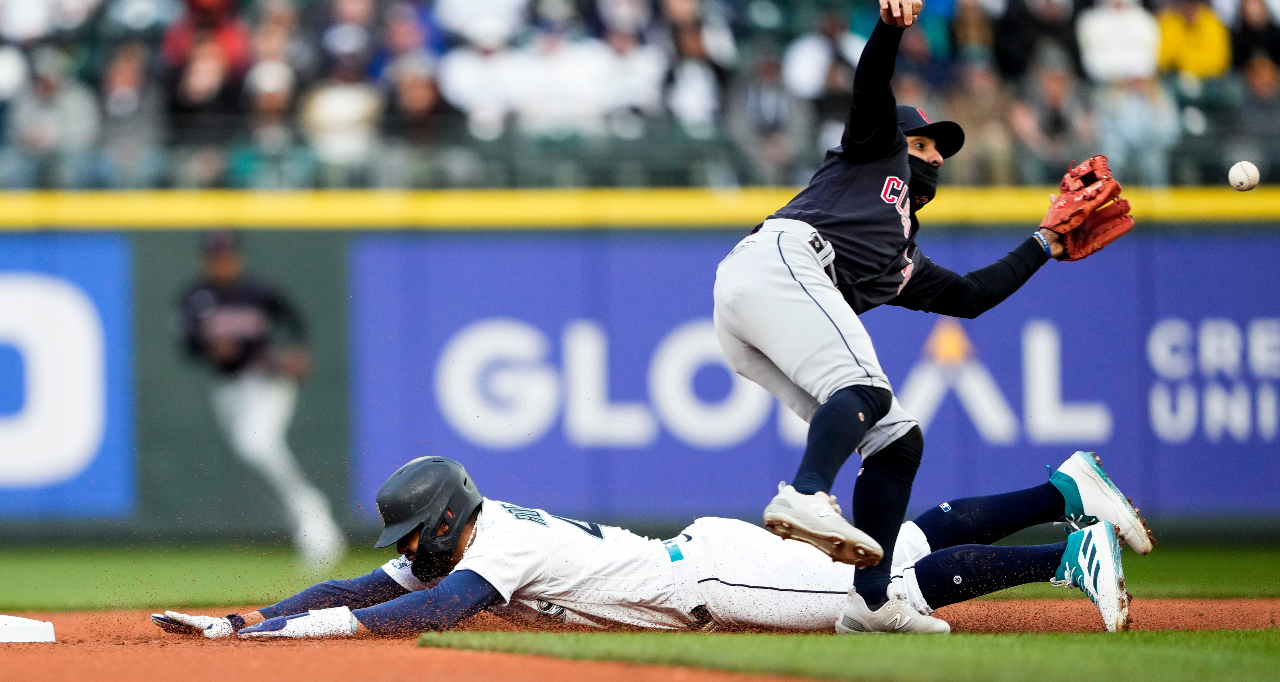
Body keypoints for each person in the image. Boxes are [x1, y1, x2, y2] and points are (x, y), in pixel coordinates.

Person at [710, 0, 1135, 635]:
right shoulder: (876, 149)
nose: (936, 155)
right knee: (862, 389)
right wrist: (887, 29)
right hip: (781, 259)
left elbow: (969, 297)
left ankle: (871, 603)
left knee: (896, 439)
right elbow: (871, 81)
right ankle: (802, 494)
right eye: (928, 143)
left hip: (755, 311)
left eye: (942, 150)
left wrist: (1043, 245)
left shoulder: (901, 255)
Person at [151, 450, 1148, 639]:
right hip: (697, 556)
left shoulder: (491, 548)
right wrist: (257, 620)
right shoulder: (463, 539)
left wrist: (300, 640)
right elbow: (358, 582)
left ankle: (1064, 548)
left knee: (877, 594)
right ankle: (1058, 489)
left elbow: (424, 614)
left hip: (714, 574)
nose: (411, 549)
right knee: (904, 539)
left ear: (450, 516)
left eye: (419, 534)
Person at [177, 229, 346, 568]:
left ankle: (315, 520)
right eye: (215, 258)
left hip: (268, 380)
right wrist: (210, 348)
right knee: (256, 449)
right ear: (206, 261)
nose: (222, 263)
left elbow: (296, 322)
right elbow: (187, 343)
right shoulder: (196, 297)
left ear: (238, 258)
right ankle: (309, 519)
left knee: (256, 445)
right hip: (228, 388)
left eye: (227, 257)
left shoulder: (258, 291)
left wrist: (297, 352)